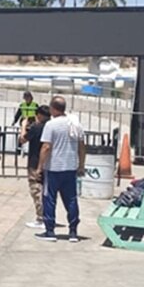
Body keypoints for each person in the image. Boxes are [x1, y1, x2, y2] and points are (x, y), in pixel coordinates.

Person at [36, 96, 86, 242]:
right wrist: (81, 165)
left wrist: (40, 167)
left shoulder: (51, 125)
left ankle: (50, 231)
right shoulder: (75, 124)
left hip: (53, 168)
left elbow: (46, 147)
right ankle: (73, 231)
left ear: (53, 108)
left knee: (49, 199)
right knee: (71, 199)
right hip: (70, 167)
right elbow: (82, 147)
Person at [19, 105, 51, 229]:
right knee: (46, 191)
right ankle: (47, 215)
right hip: (49, 164)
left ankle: (41, 218)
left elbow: (22, 140)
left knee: (36, 190)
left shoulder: (36, 128)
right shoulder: (51, 127)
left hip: (35, 163)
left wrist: (23, 126)